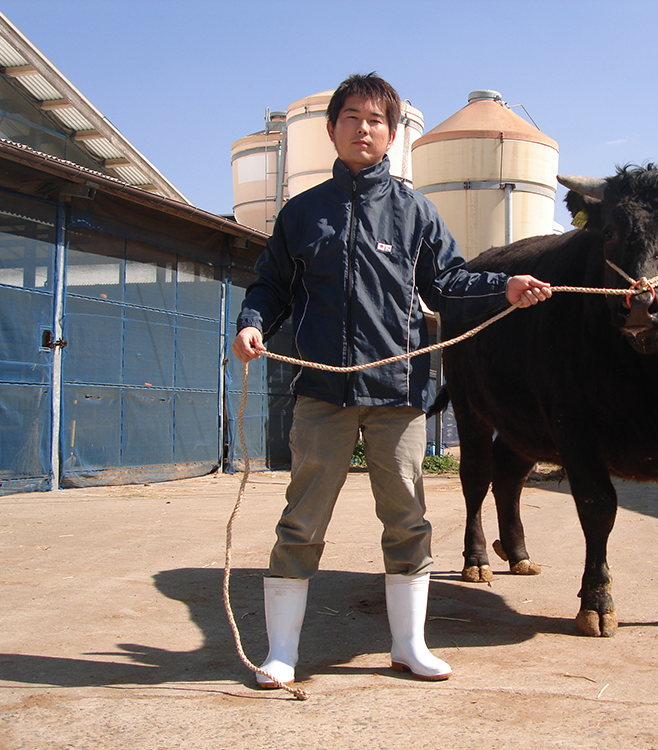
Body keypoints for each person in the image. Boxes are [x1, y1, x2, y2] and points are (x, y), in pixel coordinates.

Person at [232, 73, 551, 688]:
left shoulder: (413, 212)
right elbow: (270, 284)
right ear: (331, 129)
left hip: (398, 394)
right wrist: (252, 323)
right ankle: (282, 654)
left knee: (407, 521)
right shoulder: (301, 214)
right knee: (301, 521)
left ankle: (409, 645)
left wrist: (502, 286)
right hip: (322, 394)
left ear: (392, 134)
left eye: (376, 120)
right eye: (350, 117)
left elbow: (448, 282)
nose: (363, 129)